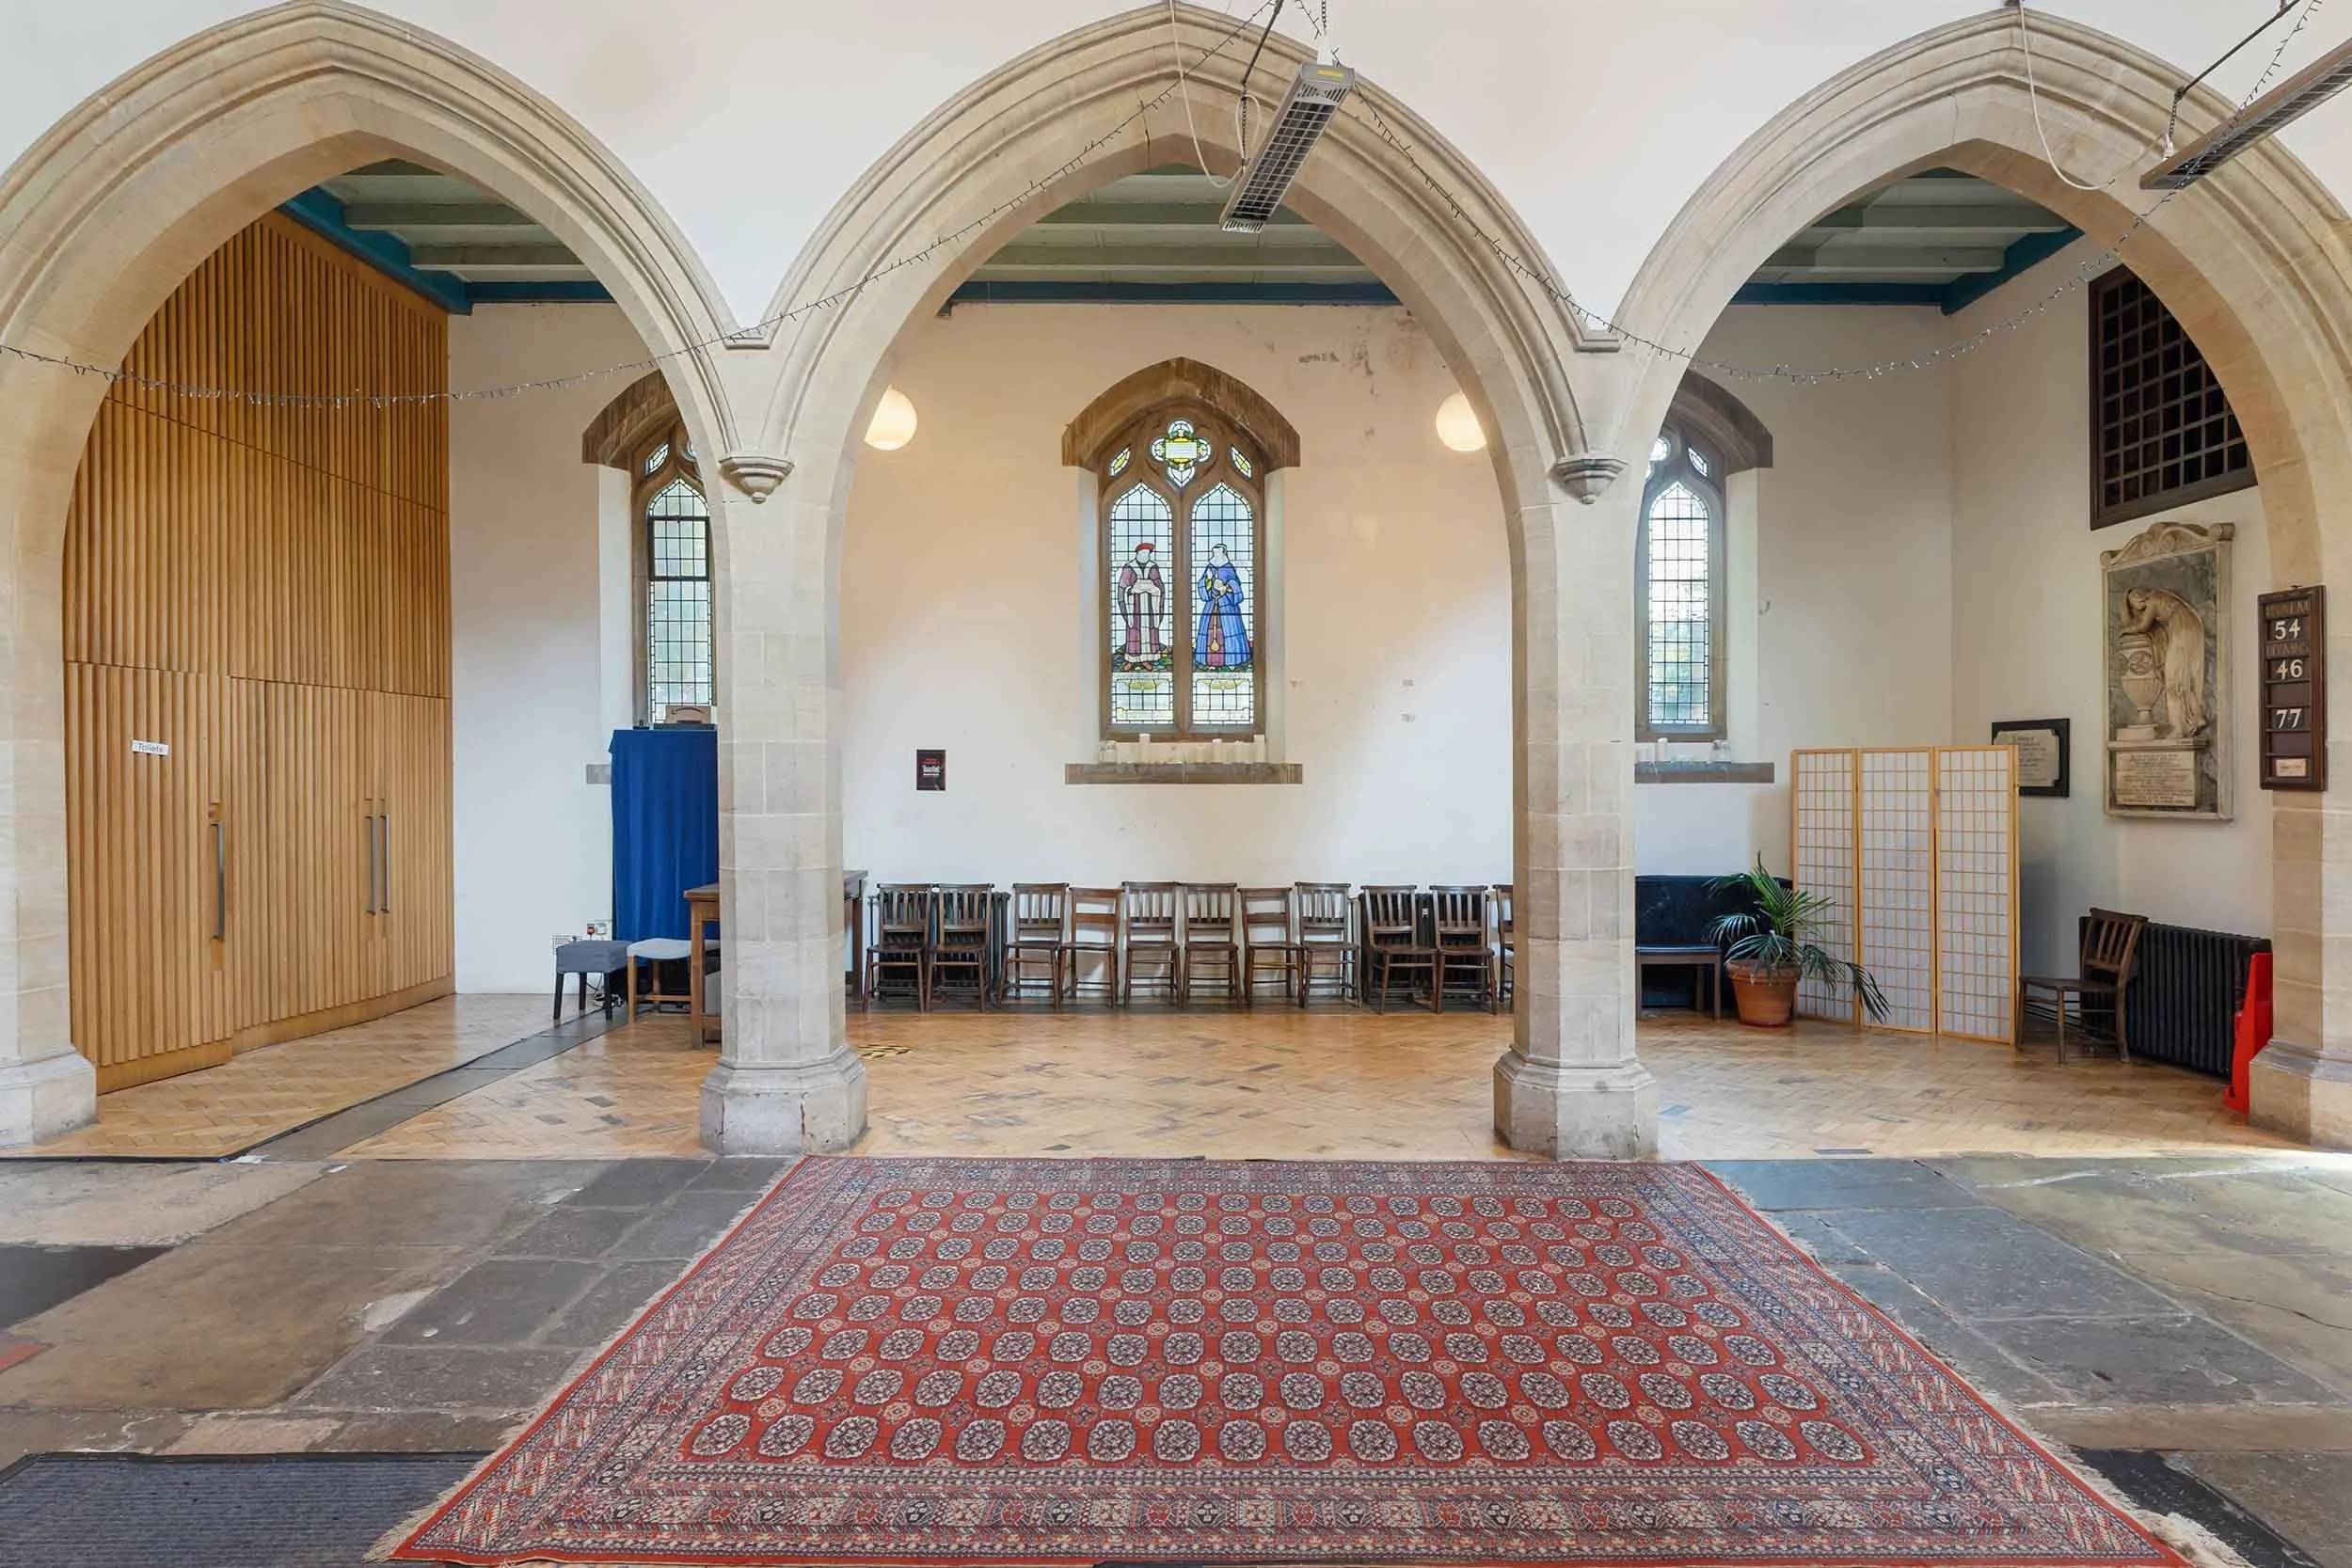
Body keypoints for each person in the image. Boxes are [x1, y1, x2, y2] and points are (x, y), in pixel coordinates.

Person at [1195, 544, 1251, 667]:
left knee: (1230, 631)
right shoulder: (1210, 567)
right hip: (1211, 606)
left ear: (1224, 554)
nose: (1216, 556)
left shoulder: (1229, 568)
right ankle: (1210, 661)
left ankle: (1232, 661)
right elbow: (1203, 587)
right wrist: (1208, 580)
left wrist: (1226, 587)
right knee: (1209, 631)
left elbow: (1236, 586)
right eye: (1214, 553)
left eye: (1218, 553)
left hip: (1227, 606)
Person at [1118, 540, 1166, 663]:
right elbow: (1123, 588)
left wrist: (1155, 589)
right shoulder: (1129, 568)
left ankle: (1149, 658)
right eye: (1144, 553)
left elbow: (1159, 585)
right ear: (1138, 553)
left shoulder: (1153, 567)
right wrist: (1132, 589)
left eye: (1148, 554)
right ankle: (1133, 658)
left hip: (1150, 606)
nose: (1146, 556)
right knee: (1135, 630)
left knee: (1151, 629)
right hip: (1135, 607)